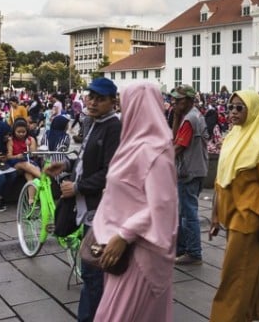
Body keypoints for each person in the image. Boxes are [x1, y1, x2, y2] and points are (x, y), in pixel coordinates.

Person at [94, 82, 178, 322]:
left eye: (124, 101)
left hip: (139, 253)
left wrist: (124, 234)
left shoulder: (154, 151)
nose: (122, 108)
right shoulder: (132, 145)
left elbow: (162, 205)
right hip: (120, 250)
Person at [45, 77, 122, 322]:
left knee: (93, 272)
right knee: (91, 271)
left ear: (113, 101)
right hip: (86, 206)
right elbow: (86, 157)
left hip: (98, 209)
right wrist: (66, 163)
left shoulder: (113, 127)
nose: (94, 102)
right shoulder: (93, 122)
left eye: (101, 98)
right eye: (92, 97)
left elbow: (110, 171)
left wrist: (78, 187)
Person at [208, 89, 259, 322]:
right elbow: (221, 179)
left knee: (235, 275)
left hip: (250, 217)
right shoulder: (233, 136)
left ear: (252, 110)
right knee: (252, 265)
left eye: (239, 108)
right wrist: (214, 215)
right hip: (232, 214)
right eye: (230, 107)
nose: (232, 112)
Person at [169, 85, 209, 265]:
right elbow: (175, 138)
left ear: (190, 100)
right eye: (174, 100)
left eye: (179, 100)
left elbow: (176, 147)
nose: (174, 102)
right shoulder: (194, 115)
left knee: (188, 213)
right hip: (197, 169)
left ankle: (193, 252)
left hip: (188, 171)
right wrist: (176, 115)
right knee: (184, 211)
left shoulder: (189, 120)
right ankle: (182, 248)